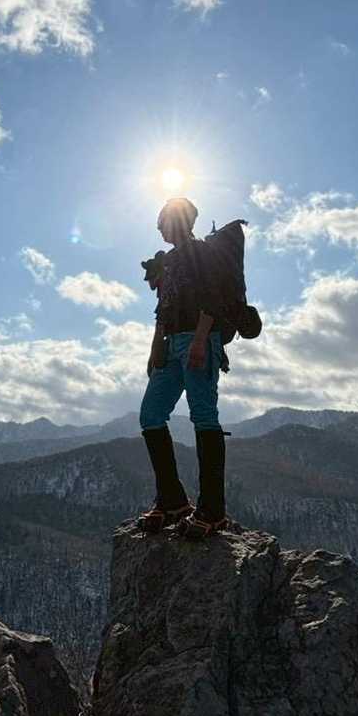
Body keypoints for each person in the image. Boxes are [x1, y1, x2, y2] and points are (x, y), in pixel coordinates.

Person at [137, 196, 236, 539]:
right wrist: (155, 348)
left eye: (162, 221)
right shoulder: (169, 262)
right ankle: (172, 501)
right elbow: (163, 309)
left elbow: (213, 299)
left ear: (178, 221)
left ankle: (213, 510)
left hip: (199, 339)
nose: (159, 228)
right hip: (171, 344)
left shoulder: (203, 254)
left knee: (204, 416)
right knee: (150, 415)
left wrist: (200, 339)